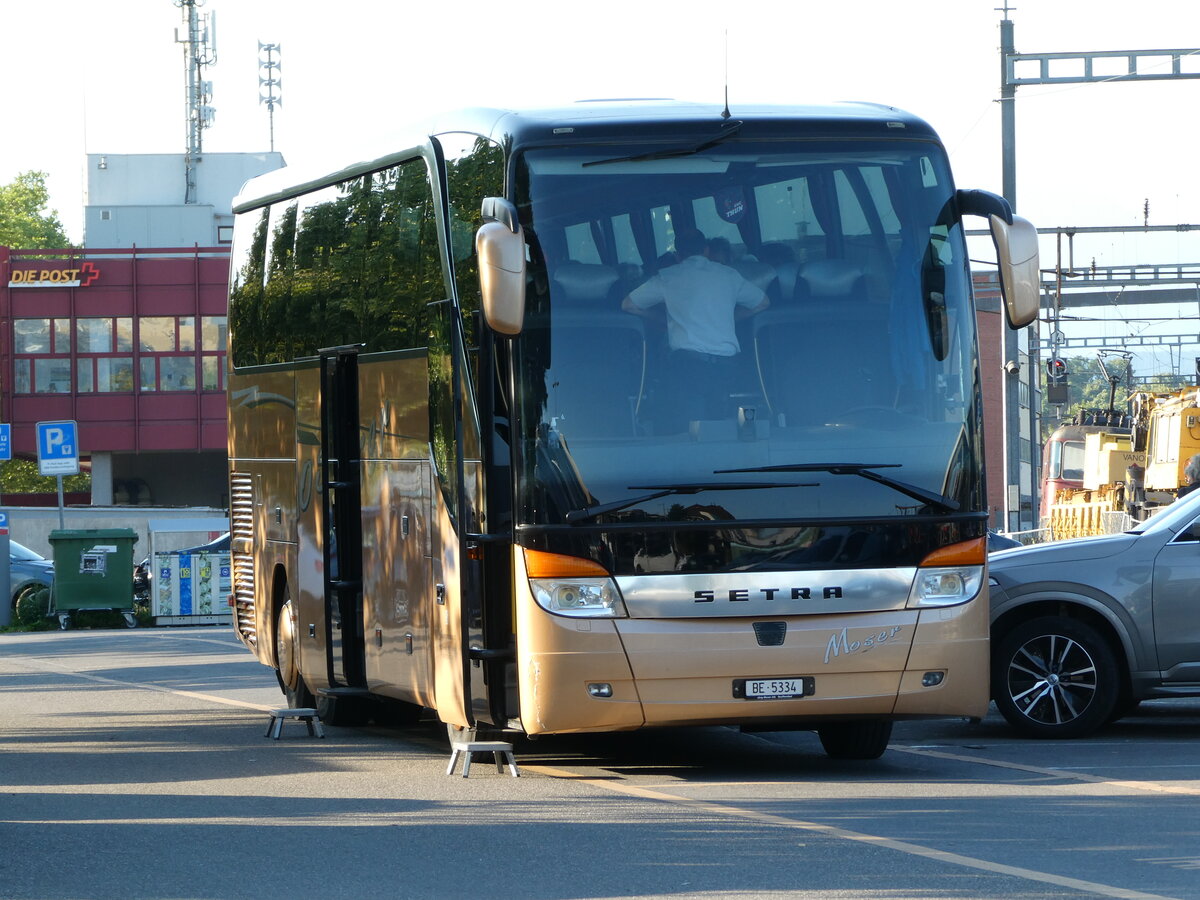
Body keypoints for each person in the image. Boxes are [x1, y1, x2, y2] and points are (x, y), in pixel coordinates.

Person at [622, 228, 768, 426]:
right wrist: (728, 318)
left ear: (677, 255)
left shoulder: (668, 276)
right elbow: (762, 303)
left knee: (693, 427)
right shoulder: (729, 275)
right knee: (722, 425)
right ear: (706, 250)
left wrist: (661, 318)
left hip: (687, 365)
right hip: (727, 365)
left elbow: (628, 305)